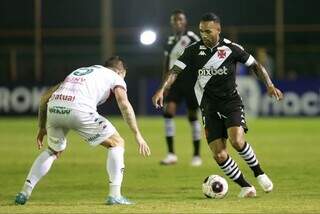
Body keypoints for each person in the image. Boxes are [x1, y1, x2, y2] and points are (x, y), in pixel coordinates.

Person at [152, 13, 283, 198]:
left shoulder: (232, 48)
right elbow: (175, 70)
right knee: (219, 155)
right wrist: (161, 89)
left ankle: (259, 173)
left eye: (208, 31)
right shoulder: (192, 50)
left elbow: (256, 65)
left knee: (237, 141)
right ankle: (246, 187)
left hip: (231, 102)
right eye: (201, 31)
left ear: (218, 30)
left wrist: (269, 85)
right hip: (208, 106)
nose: (204, 35)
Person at [15, 56, 151, 205]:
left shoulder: (82, 71)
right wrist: (137, 134)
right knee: (117, 143)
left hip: (54, 108)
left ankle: (24, 192)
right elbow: (124, 104)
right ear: (121, 72)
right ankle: (115, 195)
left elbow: (44, 98)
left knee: (53, 151)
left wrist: (42, 127)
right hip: (79, 109)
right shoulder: (115, 77)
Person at [160, 9, 202, 166]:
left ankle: (196, 155)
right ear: (172, 23)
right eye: (175, 20)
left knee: (192, 117)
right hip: (175, 82)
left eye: (180, 20)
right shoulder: (169, 41)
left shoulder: (192, 38)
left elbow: (201, 59)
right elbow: (165, 64)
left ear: (185, 22)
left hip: (191, 82)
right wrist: (164, 85)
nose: (178, 22)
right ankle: (171, 154)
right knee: (168, 111)